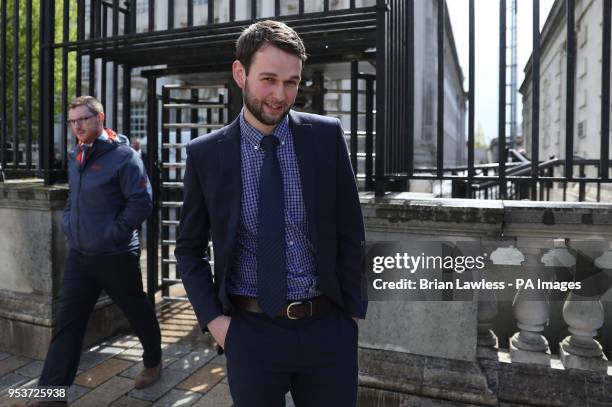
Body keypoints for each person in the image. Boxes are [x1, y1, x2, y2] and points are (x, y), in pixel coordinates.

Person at [175, 20, 367, 407]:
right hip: (250, 334)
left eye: (292, 82)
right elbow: (188, 248)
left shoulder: (325, 136)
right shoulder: (206, 154)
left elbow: (350, 229)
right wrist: (216, 323)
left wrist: (350, 317)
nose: (280, 94)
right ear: (239, 73)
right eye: (268, 79)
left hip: (326, 329)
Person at [31, 96, 162, 407]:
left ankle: (153, 361)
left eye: (83, 119)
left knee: (136, 310)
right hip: (80, 255)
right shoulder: (77, 153)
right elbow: (73, 200)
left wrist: (111, 235)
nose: (77, 126)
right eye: (73, 121)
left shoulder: (124, 157)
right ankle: (51, 395)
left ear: (100, 117)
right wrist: (69, 224)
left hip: (115, 255)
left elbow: (141, 203)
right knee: (68, 323)